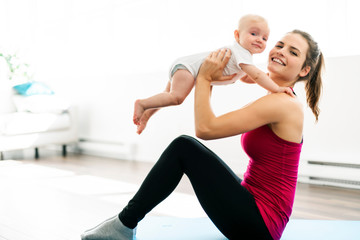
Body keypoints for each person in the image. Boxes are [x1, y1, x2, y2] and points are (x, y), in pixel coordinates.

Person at [81, 29, 324, 240]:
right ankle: (123, 224)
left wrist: (206, 77)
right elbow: (237, 75)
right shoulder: (276, 96)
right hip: (254, 205)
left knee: (184, 147)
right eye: (280, 45)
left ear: (304, 69)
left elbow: (206, 130)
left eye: (293, 52)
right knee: (186, 149)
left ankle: (123, 225)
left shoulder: (283, 104)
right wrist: (160, 101)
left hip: (261, 224)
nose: (281, 51)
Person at [133, 14, 295, 135]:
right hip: (188, 68)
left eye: (265, 38)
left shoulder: (243, 58)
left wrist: (264, 78)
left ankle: (147, 113)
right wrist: (277, 88)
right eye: (254, 34)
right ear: (237, 35)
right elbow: (257, 76)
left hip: (184, 66)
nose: (260, 39)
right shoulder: (242, 54)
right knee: (176, 98)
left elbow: (246, 77)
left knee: (167, 96)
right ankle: (142, 103)